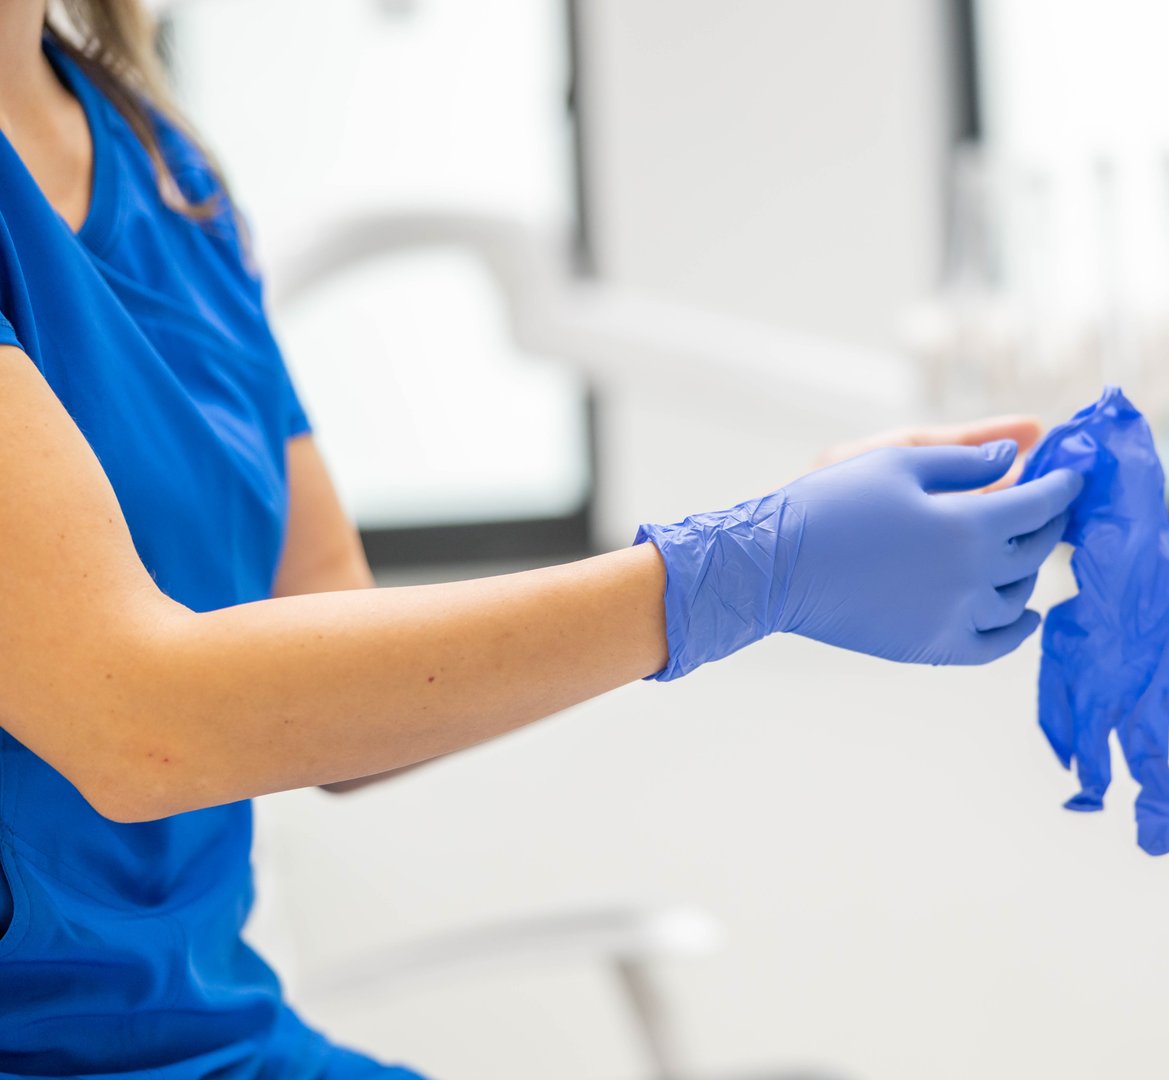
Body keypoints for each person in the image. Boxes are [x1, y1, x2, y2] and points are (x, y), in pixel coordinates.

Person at [0, 1, 1080, 1073]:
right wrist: (736, 574)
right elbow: (138, 723)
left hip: (223, 1041)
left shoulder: (162, 168)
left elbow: (330, 665)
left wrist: (790, 530)